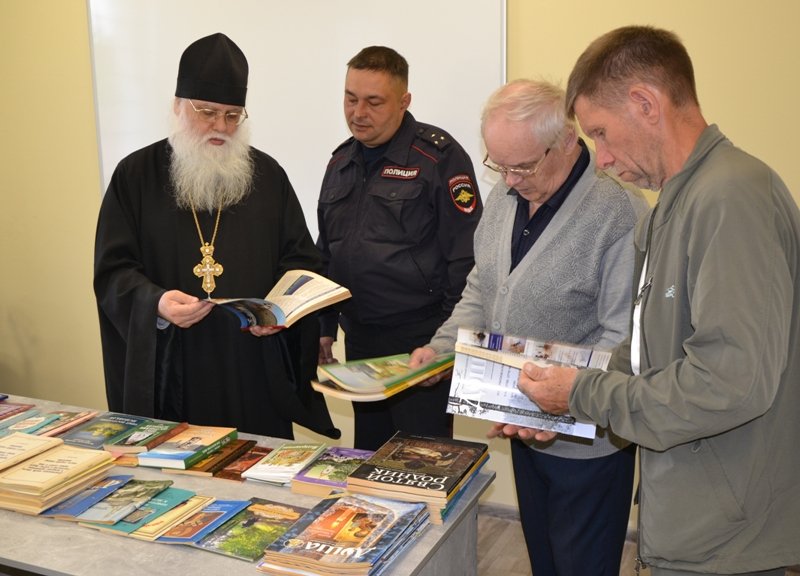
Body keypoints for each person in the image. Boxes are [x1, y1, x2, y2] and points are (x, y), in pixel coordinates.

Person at [507, 26, 800, 576]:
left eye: (599, 132)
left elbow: (728, 382)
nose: (600, 159)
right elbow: (646, 359)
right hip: (687, 518)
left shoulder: (731, 197)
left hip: (728, 542)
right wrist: (567, 403)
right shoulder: (672, 205)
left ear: (645, 103)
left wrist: (585, 391)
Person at [411, 79, 648, 576]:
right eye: (500, 165)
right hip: (520, 420)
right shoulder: (506, 195)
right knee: (544, 561)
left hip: (587, 441)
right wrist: (443, 347)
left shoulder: (617, 211)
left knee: (581, 565)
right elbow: (483, 287)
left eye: (522, 166)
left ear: (564, 140)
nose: (511, 179)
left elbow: (623, 338)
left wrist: (561, 409)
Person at [94, 33, 338, 440]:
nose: (220, 127)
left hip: (251, 368)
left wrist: (278, 313)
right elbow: (113, 271)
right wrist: (155, 303)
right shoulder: (135, 176)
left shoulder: (268, 177)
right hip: (173, 368)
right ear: (178, 106)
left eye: (231, 115)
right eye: (207, 112)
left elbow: (301, 262)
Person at [316, 46, 482, 450]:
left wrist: (445, 345)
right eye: (350, 98)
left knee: (422, 460)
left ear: (405, 101)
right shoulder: (341, 163)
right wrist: (320, 330)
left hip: (420, 346)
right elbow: (327, 253)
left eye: (374, 102)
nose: (358, 112)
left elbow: (467, 258)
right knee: (369, 457)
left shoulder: (438, 157)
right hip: (360, 343)